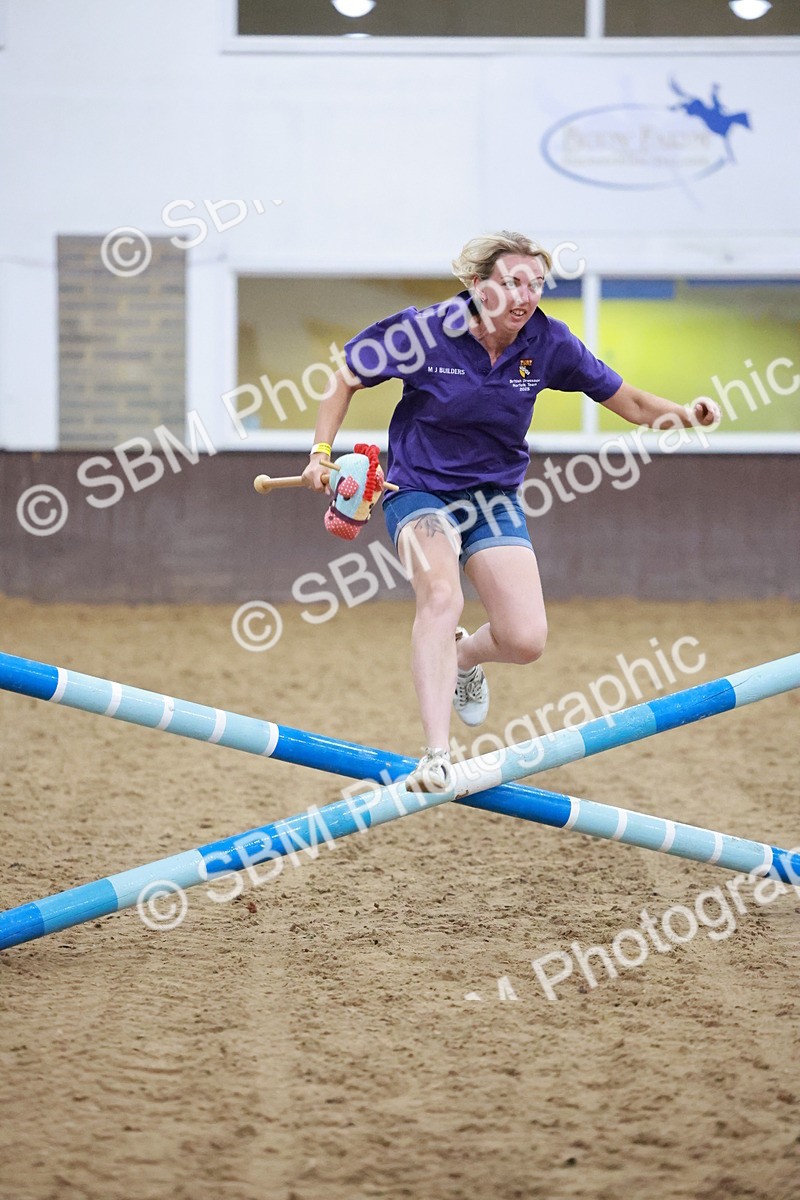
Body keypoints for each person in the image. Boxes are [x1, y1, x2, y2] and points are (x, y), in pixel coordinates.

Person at [301, 231, 721, 793]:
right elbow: (345, 378)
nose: (526, 296)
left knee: (525, 639)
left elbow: (633, 402)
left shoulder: (549, 343)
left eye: (537, 285)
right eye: (513, 283)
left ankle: (465, 660)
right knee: (442, 597)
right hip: (418, 489)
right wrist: (321, 453)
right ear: (478, 286)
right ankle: (435, 753)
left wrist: (686, 415)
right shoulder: (424, 331)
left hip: (493, 497)